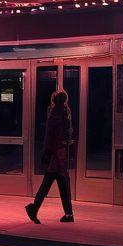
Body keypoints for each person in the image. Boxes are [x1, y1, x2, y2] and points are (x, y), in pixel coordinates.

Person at [25, 90, 74, 224]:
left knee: (49, 184)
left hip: (54, 155)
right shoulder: (65, 114)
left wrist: (47, 152)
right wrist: (64, 147)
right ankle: (68, 214)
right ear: (64, 100)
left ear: (54, 101)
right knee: (61, 184)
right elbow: (65, 135)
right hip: (60, 156)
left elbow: (49, 136)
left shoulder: (54, 115)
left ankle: (34, 209)